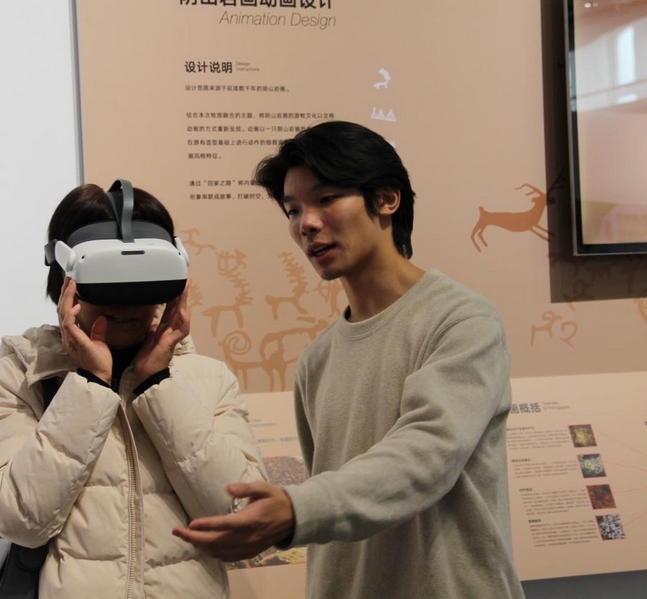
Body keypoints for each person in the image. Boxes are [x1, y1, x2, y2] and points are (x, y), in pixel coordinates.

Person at [173, 121, 525, 598]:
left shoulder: (461, 321)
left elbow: (426, 455)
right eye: (293, 209)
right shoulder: (317, 359)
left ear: (387, 199)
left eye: (325, 199)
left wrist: (297, 510)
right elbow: (339, 495)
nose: (306, 223)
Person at [0, 182, 266, 599]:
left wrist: (157, 384)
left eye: (143, 274)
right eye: (104, 274)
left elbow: (242, 516)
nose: (125, 299)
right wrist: (90, 384)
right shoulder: (21, 377)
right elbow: (18, 520)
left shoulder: (208, 379)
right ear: (65, 278)